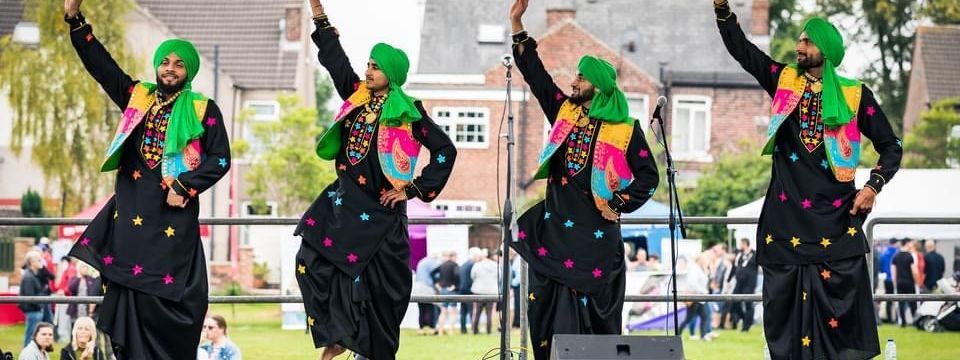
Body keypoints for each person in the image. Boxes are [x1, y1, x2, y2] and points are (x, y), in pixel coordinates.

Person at [715, 0, 902, 357]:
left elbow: (891, 146)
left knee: (842, 314)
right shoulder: (783, 80)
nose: (799, 47)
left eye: (807, 41)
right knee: (783, 312)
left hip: (836, 222)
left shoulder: (855, 93)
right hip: (786, 224)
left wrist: (872, 185)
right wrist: (723, 10)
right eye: (799, 40)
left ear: (826, 51)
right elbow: (743, 51)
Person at [64, 0, 232, 358]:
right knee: (130, 306)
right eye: (165, 61)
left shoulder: (204, 109)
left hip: (173, 226)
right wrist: (75, 20)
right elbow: (102, 67)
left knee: (182, 303)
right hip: (132, 227)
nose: (169, 69)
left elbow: (221, 159)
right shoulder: (136, 98)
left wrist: (185, 185)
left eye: (178, 64)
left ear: (190, 71)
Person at [294, 1, 456, 359]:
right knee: (309, 261)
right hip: (343, 209)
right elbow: (336, 61)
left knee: (385, 294)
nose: (367, 71)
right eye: (367, 64)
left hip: (382, 217)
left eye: (375, 66)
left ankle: (371, 351)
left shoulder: (410, 113)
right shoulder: (356, 95)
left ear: (392, 73)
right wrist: (320, 17)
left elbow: (445, 151)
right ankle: (335, 335)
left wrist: (412, 189)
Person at [508, 1, 660, 357]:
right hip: (555, 236)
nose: (573, 82)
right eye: (575, 76)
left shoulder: (625, 130)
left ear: (600, 86)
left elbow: (648, 176)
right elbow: (535, 74)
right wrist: (517, 24)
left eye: (581, 77)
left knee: (597, 325)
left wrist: (619, 203)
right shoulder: (564, 112)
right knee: (547, 319)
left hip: (596, 243)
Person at [18, 251, 48, 348]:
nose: (41, 262)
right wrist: (40, 306)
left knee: (34, 335)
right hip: (33, 310)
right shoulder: (28, 277)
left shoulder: (33, 275)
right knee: (31, 335)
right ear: (31, 262)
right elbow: (29, 296)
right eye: (38, 260)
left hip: (36, 309)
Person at [728, 238, 757, 332]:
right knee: (734, 302)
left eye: (741, 244)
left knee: (748, 303)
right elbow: (734, 267)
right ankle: (745, 318)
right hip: (739, 282)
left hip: (749, 283)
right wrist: (729, 279)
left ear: (745, 244)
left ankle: (746, 326)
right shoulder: (739, 254)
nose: (740, 246)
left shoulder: (754, 254)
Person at [471, 249, 499, 335]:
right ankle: (489, 331)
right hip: (491, 292)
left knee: (477, 312)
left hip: (478, 291)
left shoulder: (477, 265)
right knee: (489, 313)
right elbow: (500, 277)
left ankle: (475, 330)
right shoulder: (496, 265)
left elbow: (472, 276)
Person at [432, 251, 461, 336]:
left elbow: (432, 273)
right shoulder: (455, 265)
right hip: (451, 290)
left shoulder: (442, 265)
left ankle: (440, 331)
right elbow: (457, 275)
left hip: (442, 289)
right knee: (453, 311)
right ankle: (451, 331)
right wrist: (455, 286)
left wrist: (437, 283)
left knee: (443, 311)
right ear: (454, 256)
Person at [891, 238, 918, 326]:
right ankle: (915, 321)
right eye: (910, 243)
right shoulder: (910, 256)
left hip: (900, 282)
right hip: (909, 281)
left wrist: (895, 282)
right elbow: (914, 270)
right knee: (912, 302)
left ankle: (903, 322)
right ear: (907, 244)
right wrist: (916, 281)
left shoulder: (896, 256)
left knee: (901, 303)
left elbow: (893, 271)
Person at [413, 253, 440, 335]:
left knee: (421, 309)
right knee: (430, 308)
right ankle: (431, 329)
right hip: (426, 286)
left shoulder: (422, 261)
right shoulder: (433, 262)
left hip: (417, 286)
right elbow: (436, 275)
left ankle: (421, 329)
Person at [458, 248, 481, 334]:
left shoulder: (464, 264)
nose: (479, 258)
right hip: (469, 290)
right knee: (472, 311)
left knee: (463, 311)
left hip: (461, 289)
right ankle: (473, 329)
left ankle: (463, 330)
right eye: (478, 256)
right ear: (475, 256)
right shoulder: (473, 264)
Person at [878, 239, 898, 323]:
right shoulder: (897, 253)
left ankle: (889, 319)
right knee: (898, 300)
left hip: (886, 279)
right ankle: (896, 319)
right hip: (896, 279)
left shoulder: (883, 254)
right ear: (896, 243)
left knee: (888, 299)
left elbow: (881, 268)